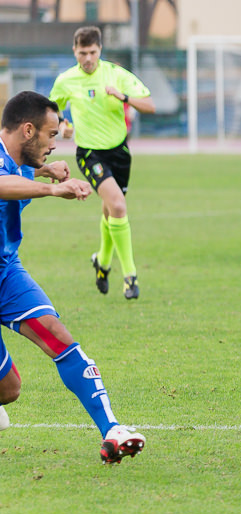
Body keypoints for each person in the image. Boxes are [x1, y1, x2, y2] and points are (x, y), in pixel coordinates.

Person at [0, 90, 145, 464]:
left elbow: (12, 174)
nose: (55, 142)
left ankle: (112, 430)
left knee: (58, 341)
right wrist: (51, 187)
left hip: (5, 274)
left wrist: (43, 170)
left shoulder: (15, 161)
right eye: (50, 135)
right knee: (9, 387)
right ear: (28, 130)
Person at [49, 26, 155, 299]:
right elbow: (52, 111)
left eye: (92, 52)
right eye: (82, 53)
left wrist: (124, 98)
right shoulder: (65, 80)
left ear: (100, 50)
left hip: (119, 153)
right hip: (90, 154)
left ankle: (102, 262)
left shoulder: (116, 74)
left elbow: (150, 105)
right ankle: (130, 276)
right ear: (75, 51)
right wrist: (63, 125)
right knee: (118, 205)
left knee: (111, 211)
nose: (87, 58)